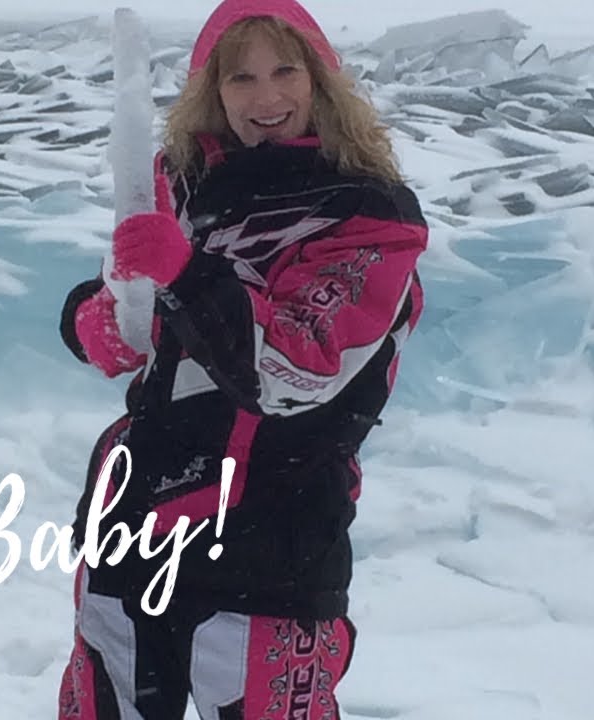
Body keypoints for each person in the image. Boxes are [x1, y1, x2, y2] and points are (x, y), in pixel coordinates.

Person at [56, 0, 428, 717]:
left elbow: (302, 369)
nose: (265, 98)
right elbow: (138, 333)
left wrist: (186, 275)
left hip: (272, 552)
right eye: (240, 77)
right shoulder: (184, 187)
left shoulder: (370, 215)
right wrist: (103, 316)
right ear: (213, 91)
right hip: (135, 533)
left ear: (320, 79)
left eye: (285, 71)